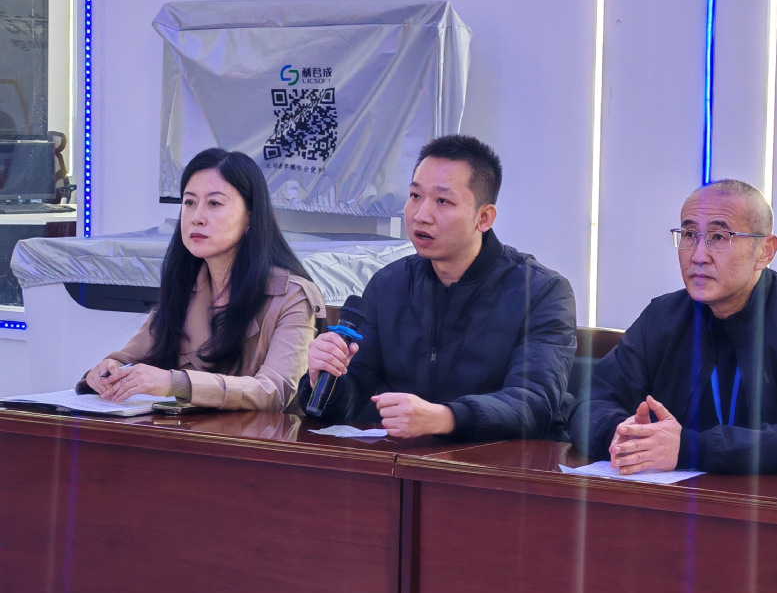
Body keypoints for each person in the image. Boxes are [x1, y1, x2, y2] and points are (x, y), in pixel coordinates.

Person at [296, 134, 576, 440]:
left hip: (504, 462)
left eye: (442, 201)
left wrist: (445, 417)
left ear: (484, 218)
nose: (420, 215)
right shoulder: (388, 285)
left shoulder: (541, 291)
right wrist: (324, 379)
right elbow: (355, 396)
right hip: (406, 458)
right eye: (415, 196)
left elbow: (533, 403)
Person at [571, 179, 777, 474]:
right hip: (672, 495)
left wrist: (690, 449)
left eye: (718, 237)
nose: (698, 256)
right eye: (690, 235)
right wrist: (623, 434)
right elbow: (590, 403)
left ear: (765, 251)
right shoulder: (662, 317)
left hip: (771, 499)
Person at [82, 149, 324, 411]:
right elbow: (129, 358)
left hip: (259, 437)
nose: (196, 217)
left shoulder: (292, 296)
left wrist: (176, 383)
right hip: (182, 433)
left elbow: (275, 392)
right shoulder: (185, 285)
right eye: (189, 202)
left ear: (250, 217)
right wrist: (109, 370)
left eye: (214, 203)